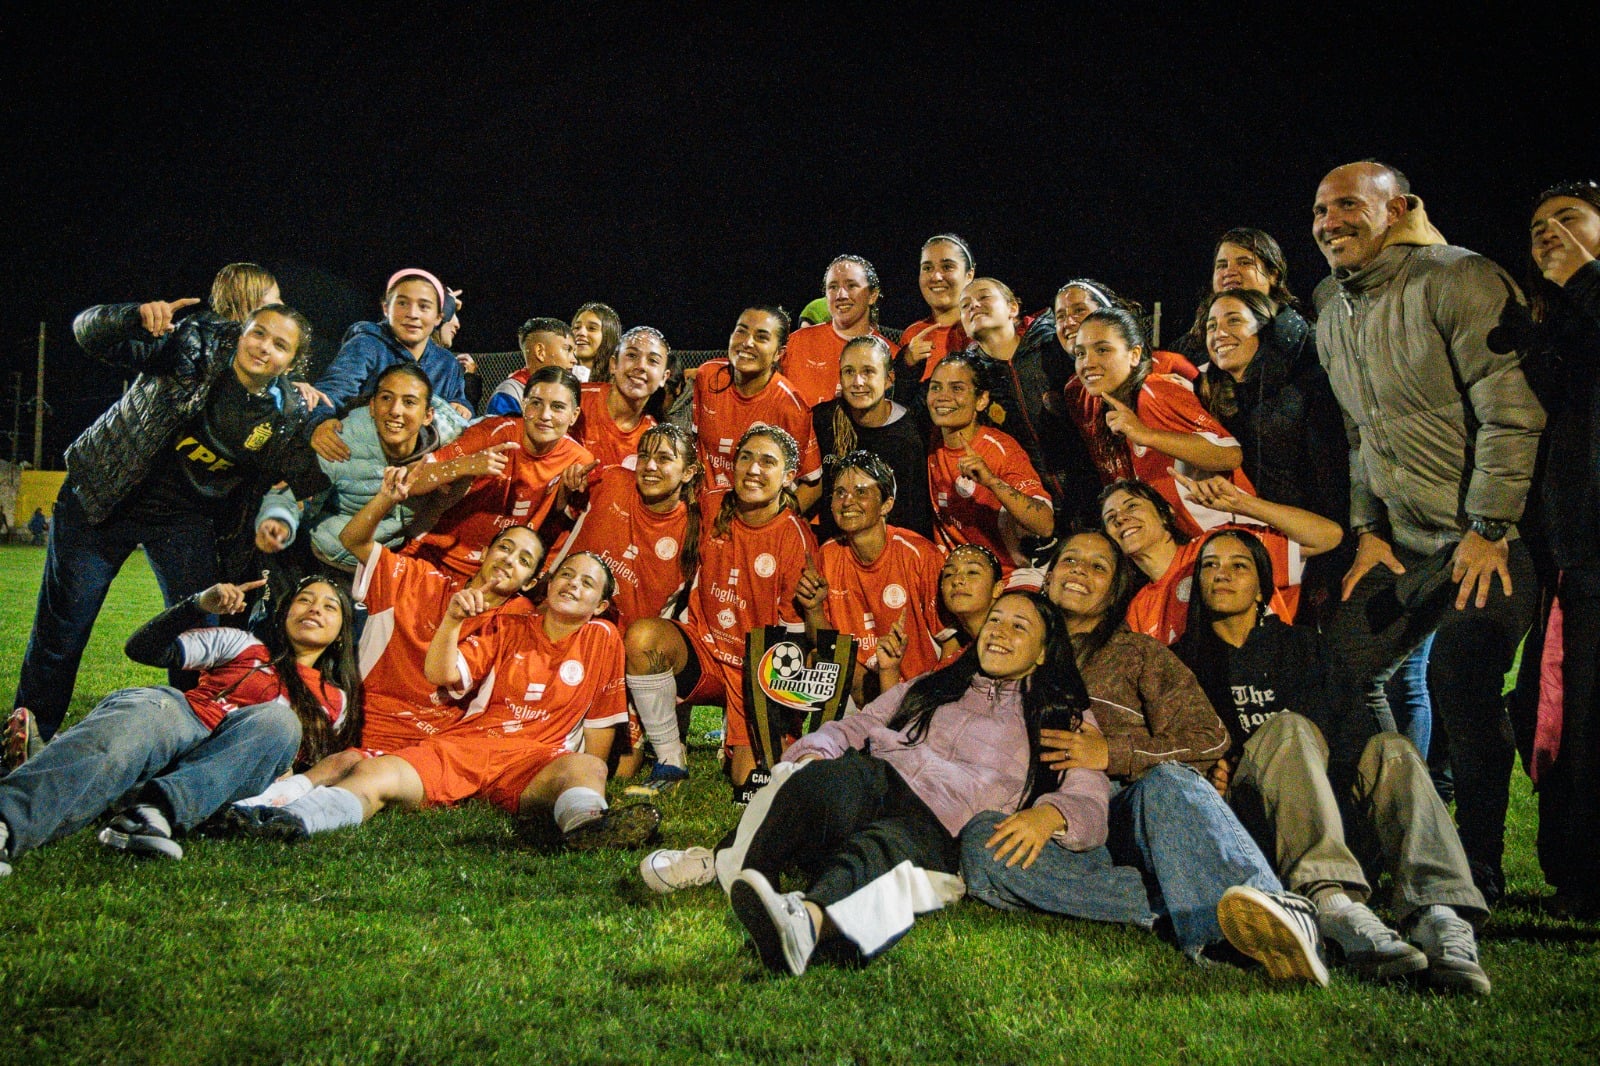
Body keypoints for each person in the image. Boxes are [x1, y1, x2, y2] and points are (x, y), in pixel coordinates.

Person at [1312, 160, 1544, 903]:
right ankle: (1394, 831)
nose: (1329, 222)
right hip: (1405, 546)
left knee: (1462, 681)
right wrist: (1367, 528)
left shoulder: (1461, 278)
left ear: (1399, 208)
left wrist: (1489, 525)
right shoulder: (1328, 304)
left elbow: (1513, 412)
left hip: (1489, 541)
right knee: (1348, 664)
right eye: (1320, 210)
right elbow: (1359, 436)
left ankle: (1478, 862)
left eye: (1349, 205)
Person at [961, 530, 1328, 982]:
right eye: (1069, 560)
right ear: (1048, 575)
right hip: (1049, 828)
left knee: (1168, 782)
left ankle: (1255, 922)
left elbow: (1208, 738)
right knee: (982, 845)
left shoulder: (1138, 654)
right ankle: (1182, 900)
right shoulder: (1002, 643)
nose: (1079, 570)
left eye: (1098, 567)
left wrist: (1112, 752)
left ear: (1115, 592)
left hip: (1130, 813)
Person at [725, 591, 1109, 976]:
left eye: (1018, 627)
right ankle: (752, 879)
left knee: (881, 849)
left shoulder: (1060, 715)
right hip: (879, 776)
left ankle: (804, 923)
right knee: (827, 777)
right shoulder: (938, 683)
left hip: (940, 822)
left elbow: (1088, 800)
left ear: (1043, 652)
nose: (999, 632)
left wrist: (1051, 814)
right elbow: (862, 723)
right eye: (994, 620)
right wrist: (817, 749)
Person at [1174, 528, 1490, 993]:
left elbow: (1355, 743)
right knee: (1288, 727)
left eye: (1238, 565)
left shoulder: (1306, 648)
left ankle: (1437, 912)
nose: (1221, 574)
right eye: (1210, 565)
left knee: (1393, 748)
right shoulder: (1182, 661)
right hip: (1250, 826)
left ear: (1263, 585)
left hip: (1330, 818)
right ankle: (1329, 903)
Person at [12, 301, 322, 742]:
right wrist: (128, 317)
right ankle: (27, 734)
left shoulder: (284, 413)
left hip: (182, 521)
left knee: (200, 630)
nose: (263, 347)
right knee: (63, 630)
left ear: (292, 361)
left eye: (280, 344)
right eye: (258, 333)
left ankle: (189, 734)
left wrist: (325, 420)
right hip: (103, 497)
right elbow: (88, 334)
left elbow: (302, 475)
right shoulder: (191, 346)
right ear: (241, 333)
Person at [233, 554, 659, 849]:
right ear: (549, 584)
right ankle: (296, 821)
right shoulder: (509, 627)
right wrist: (453, 619)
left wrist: (592, 782)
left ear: (600, 605)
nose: (572, 584)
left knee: (585, 766)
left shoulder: (602, 639)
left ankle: (588, 826)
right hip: (466, 748)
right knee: (377, 772)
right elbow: (442, 673)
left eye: (587, 583)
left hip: (533, 762)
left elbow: (602, 724)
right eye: (567, 574)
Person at [0, 575, 359, 876]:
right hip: (183, 722)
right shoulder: (244, 645)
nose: (315, 609)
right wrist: (197, 606)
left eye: (330, 607)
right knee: (150, 711)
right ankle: (7, 822)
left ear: (343, 632)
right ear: (283, 615)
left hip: (221, 771)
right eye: (305, 600)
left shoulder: (336, 700)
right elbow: (143, 649)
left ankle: (148, 811)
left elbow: (308, 764)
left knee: (279, 722)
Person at [624, 424, 817, 796]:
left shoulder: (795, 539)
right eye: (746, 457)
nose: (754, 469)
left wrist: (777, 714)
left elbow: (793, 646)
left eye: (768, 461)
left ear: (789, 477)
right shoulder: (712, 503)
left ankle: (742, 740)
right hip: (705, 651)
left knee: (748, 782)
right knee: (644, 637)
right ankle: (669, 757)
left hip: (755, 671)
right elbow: (667, 479)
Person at [1521, 179, 1600, 917]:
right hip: (1568, 556)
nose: (1549, 232)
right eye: (1539, 225)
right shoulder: (1557, 326)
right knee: (1556, 714)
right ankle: (1575, 873)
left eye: (1567, 220)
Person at [253, 362, 466, 573]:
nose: (395, 411)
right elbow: (290, 493)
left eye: (409, 402)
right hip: (328, 560)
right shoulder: (341, 445)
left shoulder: (449, 445)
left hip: (391, 564)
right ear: (372, 406)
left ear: (428, 415)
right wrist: (279, 520)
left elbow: (490, 431)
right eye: (386, 398)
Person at [1065, 306, 1249, 538]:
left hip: (1239, 539)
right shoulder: (1112, 408)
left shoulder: (1154, 391)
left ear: (1134, 355)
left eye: (1102, 350)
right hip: (1201, 545)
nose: (1087, 363)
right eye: (1080, 353)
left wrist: (1145, 435)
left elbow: (1229, 454)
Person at [406, 365, 594, 580]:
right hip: (433, 557)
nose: (545, 415)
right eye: (536, 403)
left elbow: (562, 535)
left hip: (499, 578)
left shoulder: (579, 461)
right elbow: (409, 481)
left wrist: (563, 499)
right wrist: (466, 465)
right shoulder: (492, 432)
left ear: (574, 415)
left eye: (558, 407)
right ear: (523, 405)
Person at [1100, 477, 1341, 644]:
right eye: (1111, 518)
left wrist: (1242, 503)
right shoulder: (1137, 611)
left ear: (1166, 513)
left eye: (1132, 506)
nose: (1121, 519)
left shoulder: (1220, 545)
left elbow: (1327, 537)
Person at [794, 451, 949, 703]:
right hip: (865, 693)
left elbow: (951, 642)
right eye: (840, 493)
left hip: (920, 692)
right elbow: (828, 646)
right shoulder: (828, 554)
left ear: (887, 504)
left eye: (861, 492)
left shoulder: (919, 554)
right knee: (819, 659)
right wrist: (813, 608)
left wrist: (935, 699)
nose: (847, 501)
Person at [955, 278, 1093, 512]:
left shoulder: (1055, 345)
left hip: (1091, 488)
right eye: (965, 305)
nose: (974, 306)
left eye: (984, 297)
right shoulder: (971, 377)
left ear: (1013, 308)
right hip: (1033, 503)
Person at [309, 270, 469, 460]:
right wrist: (320, 422)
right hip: (360, 455)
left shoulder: (447, 362)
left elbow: (457, 404)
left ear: (438, 317)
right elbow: (332, 390)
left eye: (424, 306)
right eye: (402, 303)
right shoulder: (367, 344)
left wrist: (462, 405)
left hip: (418, 463)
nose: (412, 314)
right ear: (386, 309)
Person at [924, 352, 1054, 573]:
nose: (942, 397)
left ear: (982, 400)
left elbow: (1045, 523)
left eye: (956, 389)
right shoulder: (930, 438)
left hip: (1008, 574)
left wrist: (992, 482)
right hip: (954, 572)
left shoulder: (1001, 449)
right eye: (935, 388)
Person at [692, 307, 822, 511]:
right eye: (741, 331)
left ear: (779, 353)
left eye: (761, 337)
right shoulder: (707, 376)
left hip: (753, 521)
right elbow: (697, 447)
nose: (747, 342)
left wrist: (771, 528)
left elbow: (813, 485)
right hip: (704, 516)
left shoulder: (791, 405)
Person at [810, 334, 932, 540]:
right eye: (849, 372)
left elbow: (915, 518)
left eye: (868, 372)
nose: (858, 382)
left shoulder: (912, 434)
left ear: (889, 380)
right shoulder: (823, 419)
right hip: (835, 549)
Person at [782, 255, 896, 408]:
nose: (841, 295)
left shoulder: (891, 356)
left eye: (851, 286)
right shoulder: (796, 342)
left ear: (872, 295)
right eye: (833, 287)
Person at [570, 326, 671, 470]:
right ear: (613, 364)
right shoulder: (576, 398)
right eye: (631, 355)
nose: (641, 366)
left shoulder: (654, 438)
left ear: (663, 377)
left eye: (653, 360)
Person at [896, 234, 976, 389]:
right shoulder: (913, 336)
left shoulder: (984, 331)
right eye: (927, 268)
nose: (936, 277)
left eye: (947, 267)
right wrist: (907, 366)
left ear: (969, 275)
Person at [487, 317, 579, 416]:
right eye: (567, 349)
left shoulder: (569, 390)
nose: (574, 360)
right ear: (540, 352)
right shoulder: (510, 394)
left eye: (573, 352)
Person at [571, 301, 622, 382]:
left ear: (608, 337)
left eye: (592, 328)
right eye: (577, 327)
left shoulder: (619, 384)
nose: (580, 333)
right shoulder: (560, 378)